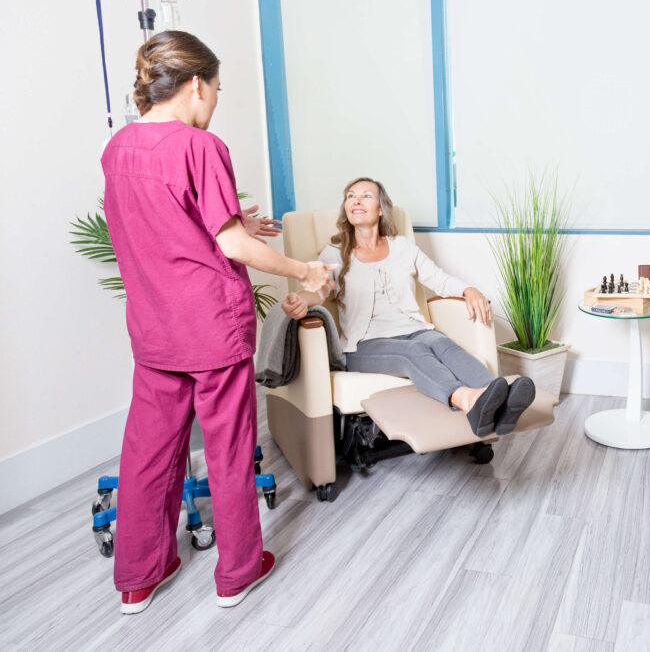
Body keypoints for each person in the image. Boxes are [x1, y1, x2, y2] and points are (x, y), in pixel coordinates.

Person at [101, 30, 334, 614]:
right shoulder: (200, 147)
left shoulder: (118, 148)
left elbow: (157, 227)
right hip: (210, 325)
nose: (215, 102)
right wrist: (303, 268)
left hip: (154, 327)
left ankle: (137, 576)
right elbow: (232, 248)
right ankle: (237, 572)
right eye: (218, 89)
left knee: (148, 451)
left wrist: (232, 226)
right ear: (197, 83)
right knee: (228, 448)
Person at [281, 177, 535, 436]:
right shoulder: (335, 252)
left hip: (414, 329)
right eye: (350, 196)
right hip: (364, 344)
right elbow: (319, 289)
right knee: (414, 351)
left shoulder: (402, 247)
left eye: (366, 195)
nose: (356, 200)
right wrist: (302, 299)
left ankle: (496, 399)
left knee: (441, 343)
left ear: (380, 208)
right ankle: (467, 401)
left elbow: (439, 278)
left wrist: (469, 290)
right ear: (346, 208)